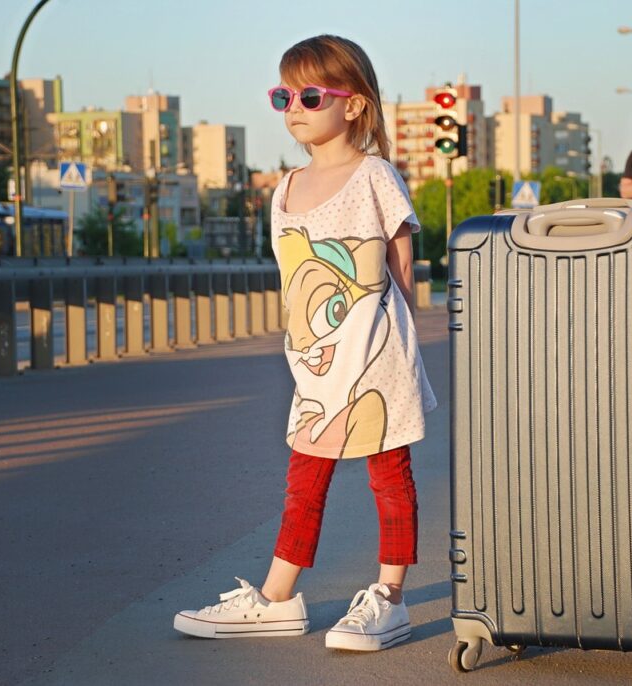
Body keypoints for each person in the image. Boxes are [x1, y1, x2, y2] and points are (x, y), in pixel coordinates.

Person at [173, 34, 437, 652]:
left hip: (376, 358)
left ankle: (389, 598)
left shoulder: (376, 175)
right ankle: (276, 597)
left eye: (310, 94)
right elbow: (295, 281)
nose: (294, 105)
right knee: (304, 480)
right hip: (316, 369)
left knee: (389, 476)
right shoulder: (283, 188)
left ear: (353, 106)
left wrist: (398, 349)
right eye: (283, 94)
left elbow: (401, 268)